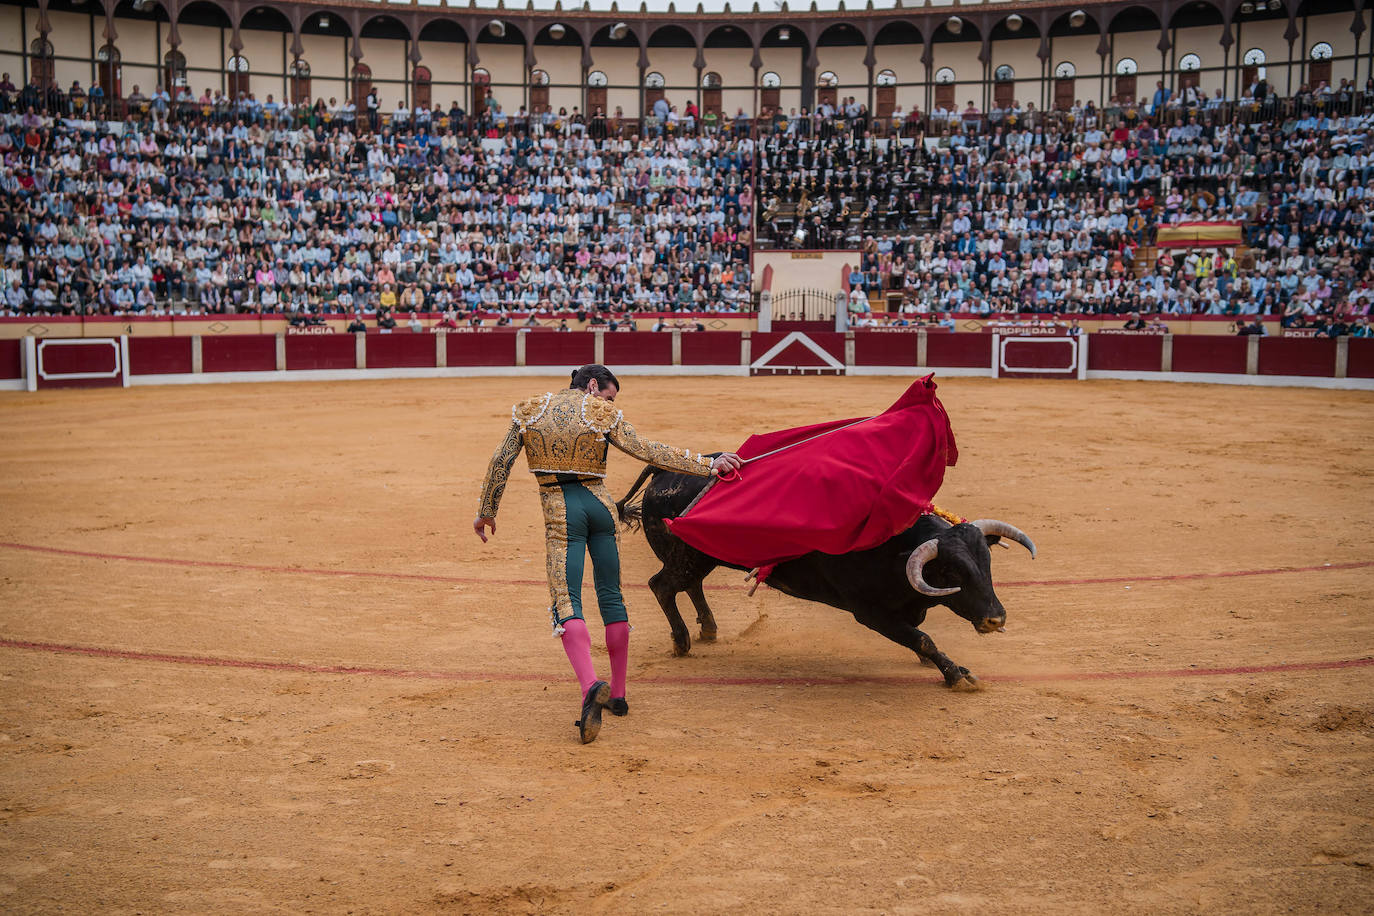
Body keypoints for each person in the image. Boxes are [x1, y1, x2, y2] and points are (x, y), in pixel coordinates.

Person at [474, 365, 741, 744]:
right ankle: (618, 694)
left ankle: (589, 687)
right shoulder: (600, 412)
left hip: (561, 509)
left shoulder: (529, 409)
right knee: (611, 598)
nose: (610, 403)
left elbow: (501, 462)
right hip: (601, 509)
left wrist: (487, 511)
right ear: (593, 385)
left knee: (567, 600)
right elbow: (646, 450)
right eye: (609, 396)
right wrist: (706, 464)